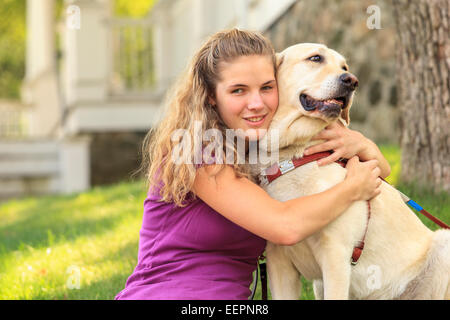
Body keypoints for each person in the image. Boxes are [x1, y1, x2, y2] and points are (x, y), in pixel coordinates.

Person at [115, 28, 390, 300]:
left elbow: (382, 174)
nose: (256, 103)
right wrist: (353, 188)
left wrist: (364, 146)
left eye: (267, 88)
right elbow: (285, 226)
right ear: (211, 96)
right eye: (238, 91)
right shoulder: (196, 149)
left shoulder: (255, 148)